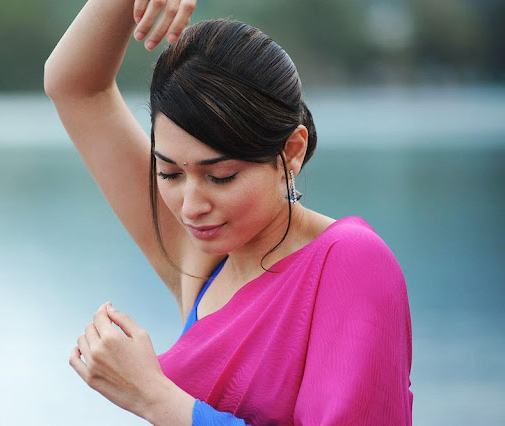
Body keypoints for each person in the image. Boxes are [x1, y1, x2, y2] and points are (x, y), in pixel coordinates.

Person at [44, 0, 413, 424]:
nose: (191, 206)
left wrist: (153, 397)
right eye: (169, 173)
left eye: (221, 176)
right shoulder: (203, 261)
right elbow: (74, 87)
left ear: (290, 152)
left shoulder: (349, 261)